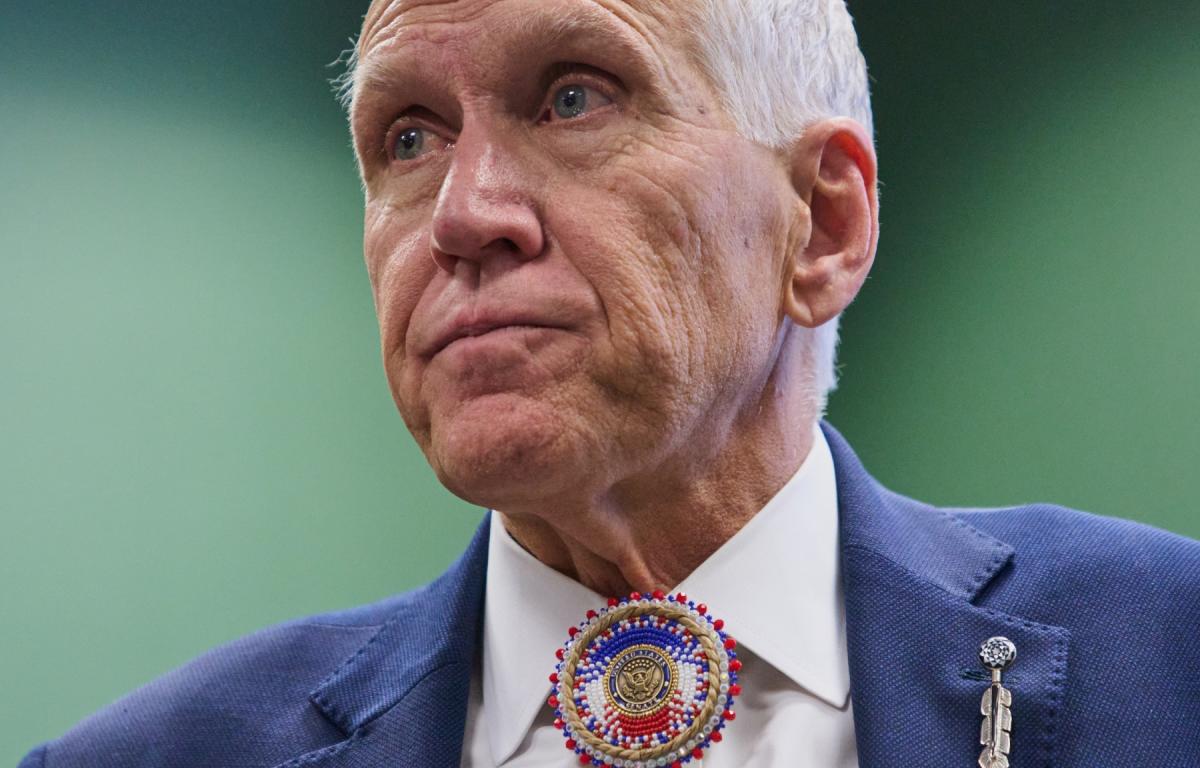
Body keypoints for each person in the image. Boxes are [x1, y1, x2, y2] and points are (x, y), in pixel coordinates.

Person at [19, 1, 1200, 767]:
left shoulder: (1167, 658)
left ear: (823, 224)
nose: (463, 217)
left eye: (574, 95)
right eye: (410, 138)